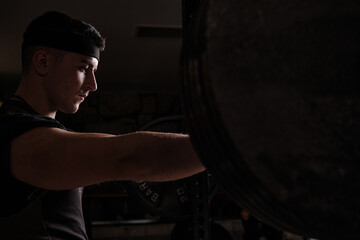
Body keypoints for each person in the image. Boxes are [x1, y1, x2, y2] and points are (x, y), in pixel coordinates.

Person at [0, 11, 205, 239]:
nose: (93, 85)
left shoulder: (38, 131)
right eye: (83, 68)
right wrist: (225, 145)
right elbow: (128, 157)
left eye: (94, 72)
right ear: (43, 62)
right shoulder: (12, 133)